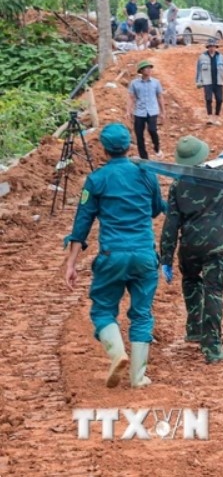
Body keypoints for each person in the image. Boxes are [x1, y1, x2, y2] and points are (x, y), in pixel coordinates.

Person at [61, 123, 166, 389]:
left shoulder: (96, 179)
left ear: (104, 150)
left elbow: (81, 224)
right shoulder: (147, 174)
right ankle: (138, 376)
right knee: (142, 314)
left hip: (112, 256)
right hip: (144, 254)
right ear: (129, 145)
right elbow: (156, 209)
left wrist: (71, 263)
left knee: (103, 310)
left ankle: (117, 352)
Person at [159, 136, 223, 363]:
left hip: (190, 245)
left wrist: (166, 259)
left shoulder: (177, 185)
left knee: (191, 280)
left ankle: (194, 328)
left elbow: (171, 224)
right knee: (214, 292)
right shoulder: (216, 177)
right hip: (216, 245)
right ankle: (212, 348)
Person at [127, 60, 164, 159]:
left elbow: (160, 96)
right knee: (139, 134)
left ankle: (157, 148)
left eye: (149, 68)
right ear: (141, 71)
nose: (149, 70)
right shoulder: (134, 83)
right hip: (139, 112)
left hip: (152, 110)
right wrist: (128, 110)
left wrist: (162, 111)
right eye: (146, 68)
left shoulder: (156, 82)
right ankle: (144, 157)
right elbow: (131, 97)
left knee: (152, 130)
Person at [195, 39, 223, 125]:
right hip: (207, 81)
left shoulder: (221, 57)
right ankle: (209, 118)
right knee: (208, 99)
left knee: (219, 100)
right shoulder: (202, 57)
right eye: (210, 46)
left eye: (213, 46)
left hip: (218, 81)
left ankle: (216, 118)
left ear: (216, 47)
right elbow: (198, 70)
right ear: (207, 47)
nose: (212, 48)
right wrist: (198, 81)